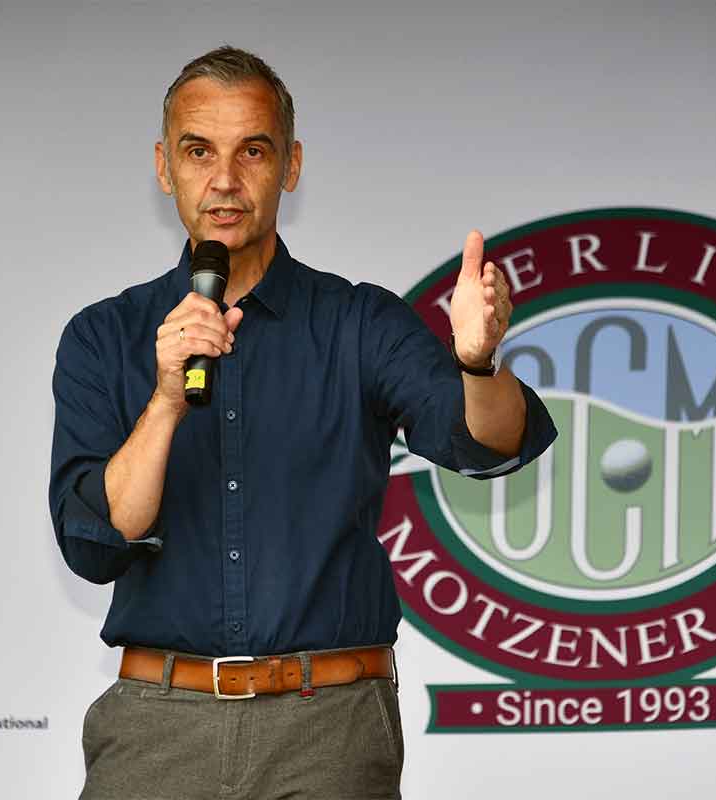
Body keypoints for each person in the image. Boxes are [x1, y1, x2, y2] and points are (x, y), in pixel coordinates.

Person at [48, 46, 557, 799]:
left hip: (329, 731)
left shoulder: (359, 322)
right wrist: (164, 403)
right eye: (199, 151)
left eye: (252, 151)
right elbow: (94, 546)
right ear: (164, 167)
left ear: (291, 165)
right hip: (158, 728)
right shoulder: (103, 336)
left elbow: (488, 445)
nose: (225, 179)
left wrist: (477, 365)